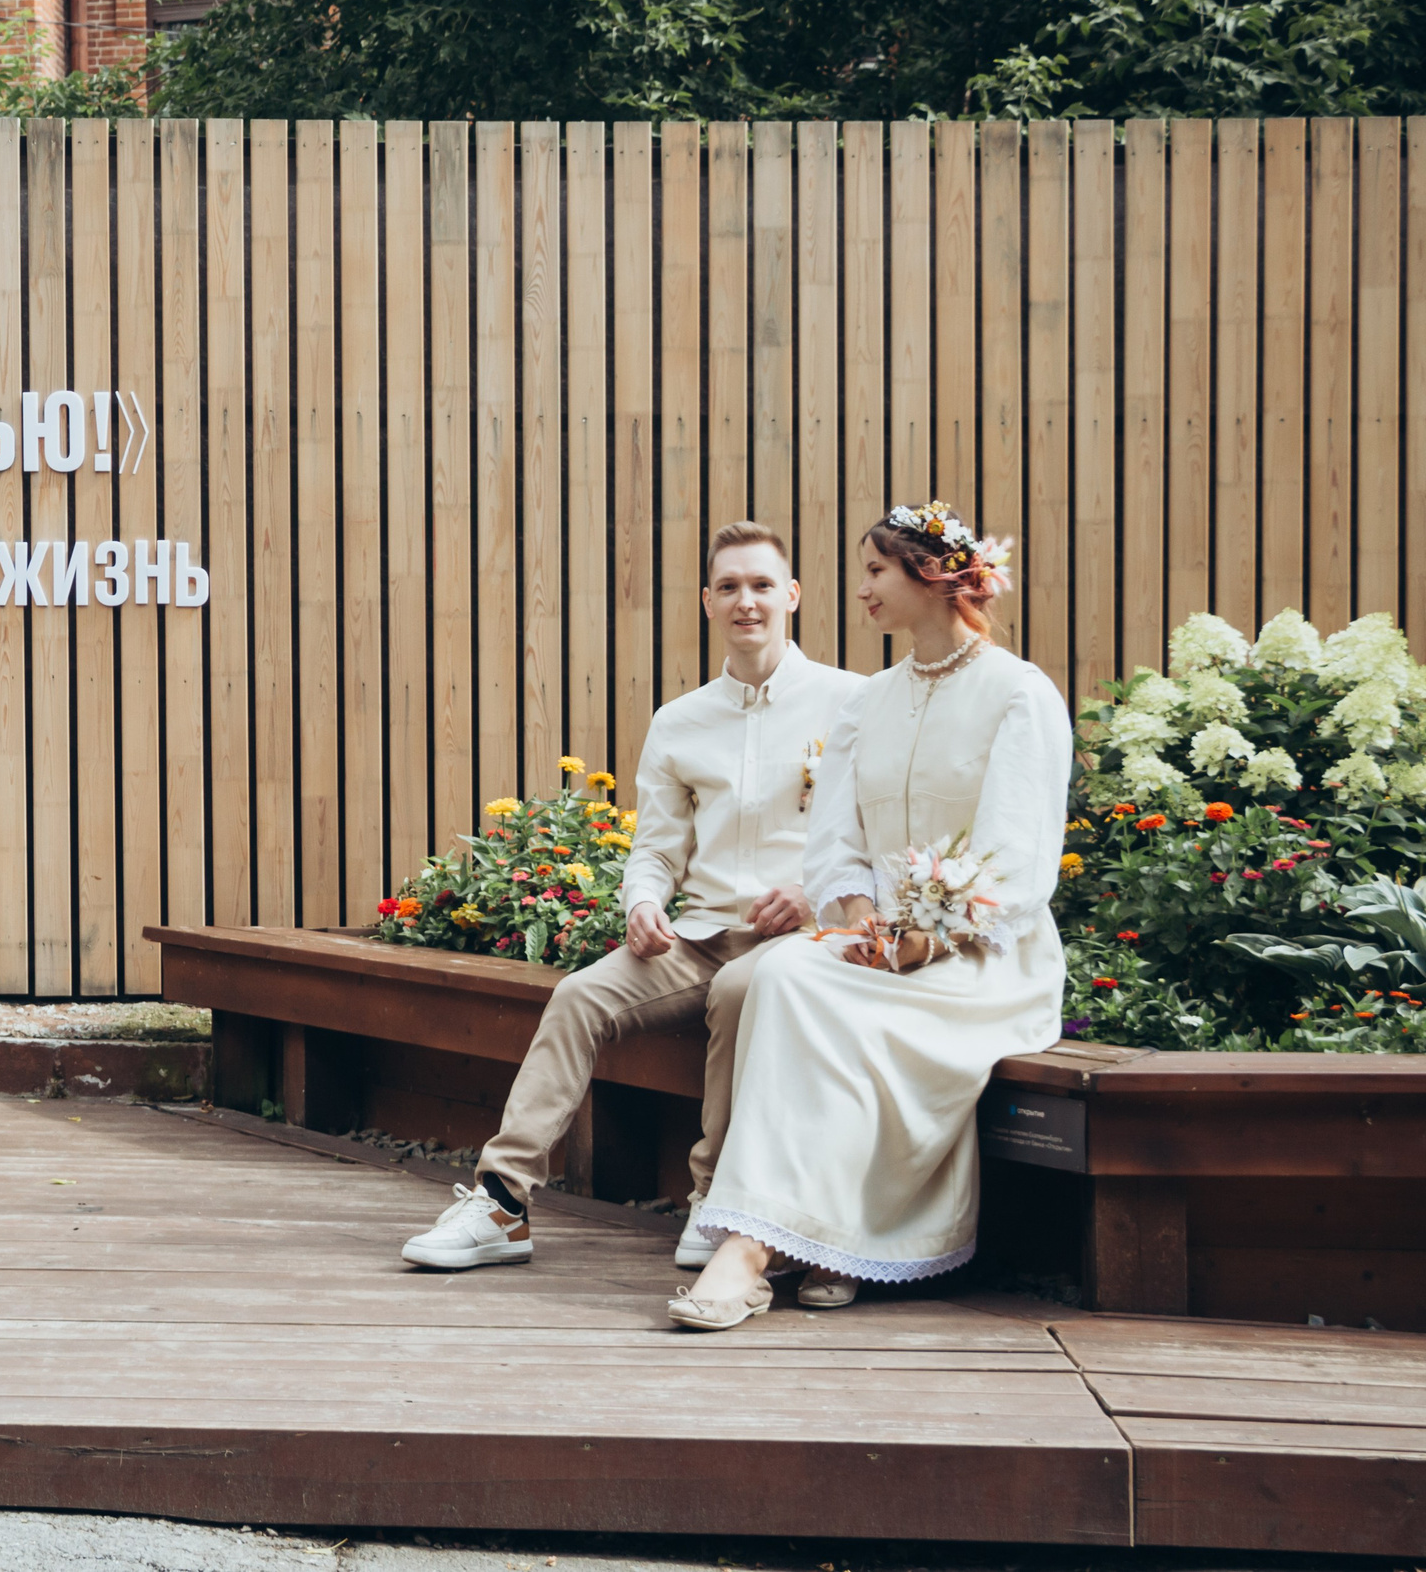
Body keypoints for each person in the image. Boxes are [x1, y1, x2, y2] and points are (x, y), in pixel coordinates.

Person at [401, 522, 865, 1272]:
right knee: (580, 995)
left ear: (793, 596)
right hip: (698, 934)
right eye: (729, 587)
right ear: (707, 601)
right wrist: (643, 903)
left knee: (744, 990)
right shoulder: (680, 721)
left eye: (761, 585)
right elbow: (654, 847)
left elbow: (878, 830)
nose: (746, 601)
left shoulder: (850, 704)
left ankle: (715, 1201)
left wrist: (815, 892)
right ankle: (501, 1202)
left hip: (800, 940)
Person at [668, 503, 1072, 1331]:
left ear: (936, 576)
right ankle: (789, 1238)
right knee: (781, 972)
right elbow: (835, 844)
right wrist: (861, 922)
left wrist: (922, 938)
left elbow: (1017, 860)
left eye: (877, 571)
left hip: (985, 963)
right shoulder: (868, 702)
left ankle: (757, 1248)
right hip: (874, 942)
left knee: (811, 993)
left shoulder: (1019, 694)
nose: (862, 591)